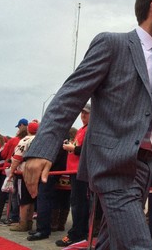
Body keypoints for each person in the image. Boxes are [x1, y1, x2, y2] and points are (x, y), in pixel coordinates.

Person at [23, 0, 152, 249]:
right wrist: (42, 149)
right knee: (139, 244)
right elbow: (70, 95)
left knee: (111, 242)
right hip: (112, 166)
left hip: (145, 169)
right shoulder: (112, 44)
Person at [55, 103, 91, 246]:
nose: (83, 116)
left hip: (81, 171)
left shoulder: (91, 129)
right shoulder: (82, 129)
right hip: (74, 171)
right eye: (82, 113)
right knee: (77, 203)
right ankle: (79, 232)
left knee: (79, 203)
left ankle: (77, 234)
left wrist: (73, 148)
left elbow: (88, 150)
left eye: (86, 113)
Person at [0, 120, 28, 222]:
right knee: (18, 194)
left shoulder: (13, 141)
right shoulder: (30, 141)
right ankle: (14, 215)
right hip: (22, 170)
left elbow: (3, 154)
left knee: (4, 192)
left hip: (9, 169)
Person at [9, 120, 39, 232]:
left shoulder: (25, 139)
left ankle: (23, 223)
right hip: (36, 171)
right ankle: (29, 222)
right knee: (32, 198)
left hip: (23, 172)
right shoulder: (40, 140)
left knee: (23, 200)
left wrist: (11, 172)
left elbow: (17, 157)